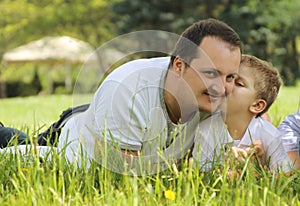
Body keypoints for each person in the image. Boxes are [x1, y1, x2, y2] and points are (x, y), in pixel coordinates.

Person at [57, 18, 242, 174]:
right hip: (77, 138)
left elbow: (257, 119)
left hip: (127, 120)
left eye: (230, 77)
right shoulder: (127, 88)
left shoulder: (220, 97)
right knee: (32, 148)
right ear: (179, 66)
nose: (222, 88)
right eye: (211, 73)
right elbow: (129, 181)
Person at [193, 54, 292, 173]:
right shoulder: (206, 129)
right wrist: (225, 165)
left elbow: (286, 174)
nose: (226, 84)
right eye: (229, 77)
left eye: (239, 83)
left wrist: (256, 170)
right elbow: (201, 173)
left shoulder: (270, 136)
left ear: (257, 105)